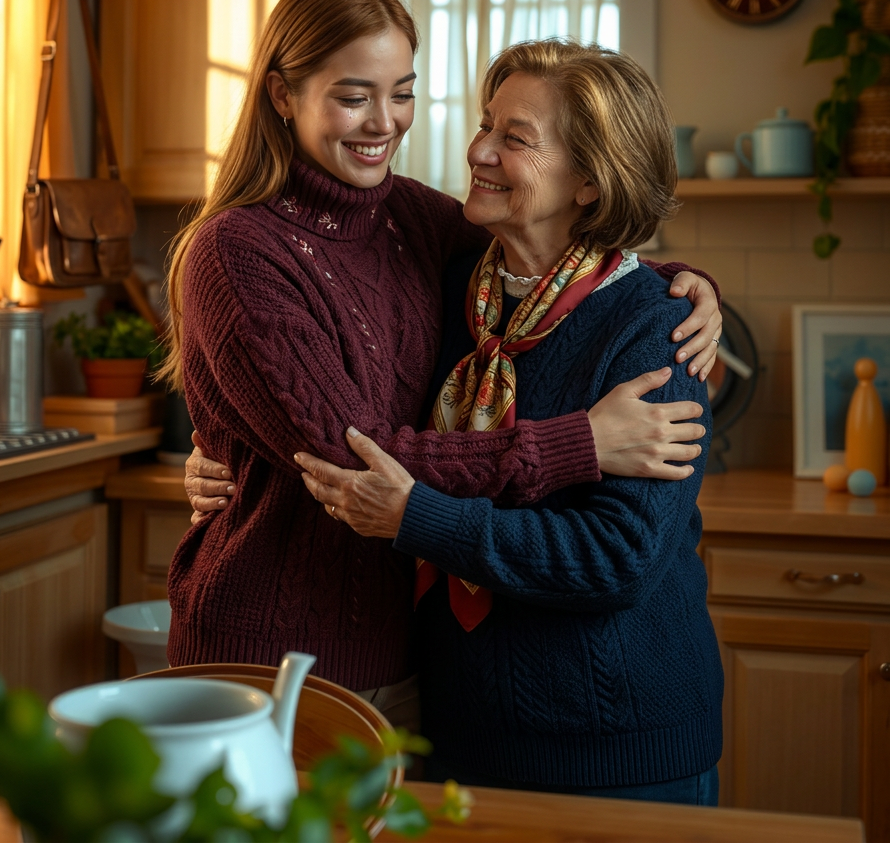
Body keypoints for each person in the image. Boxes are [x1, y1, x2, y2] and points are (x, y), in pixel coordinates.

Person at [165, 0, 718, 729]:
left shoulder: (413, 221)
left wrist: (685, 285)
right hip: (272, 654)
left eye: (402, 93)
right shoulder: (237, 251)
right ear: (282, 95)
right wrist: (579, 444)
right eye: (353, 96)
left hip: (406, 662)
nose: (384, 122)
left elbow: (565, 249)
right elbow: (355, 462)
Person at [290, 40, 723, 805]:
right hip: (458, 729)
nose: (479, 150)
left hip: (620, 749)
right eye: (485, 124)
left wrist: (418, 518)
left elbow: (619, 556)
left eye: (515, 138)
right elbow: (345, 405)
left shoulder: (657, 328)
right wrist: (223, 448)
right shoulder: (446, 286)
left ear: (590, 181)